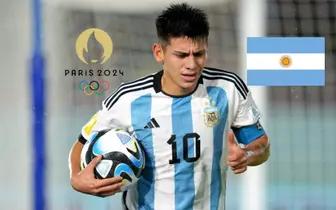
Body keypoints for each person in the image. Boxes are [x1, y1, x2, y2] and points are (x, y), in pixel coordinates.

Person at [69, 3, 270, 210]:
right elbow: (82, 143)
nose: (191, 64)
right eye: (181, 55)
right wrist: (77, 179)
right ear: (159, 52)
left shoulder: (227, 89)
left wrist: (246, 155)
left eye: (199, 54)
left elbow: (261, 145)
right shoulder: (128, 99)